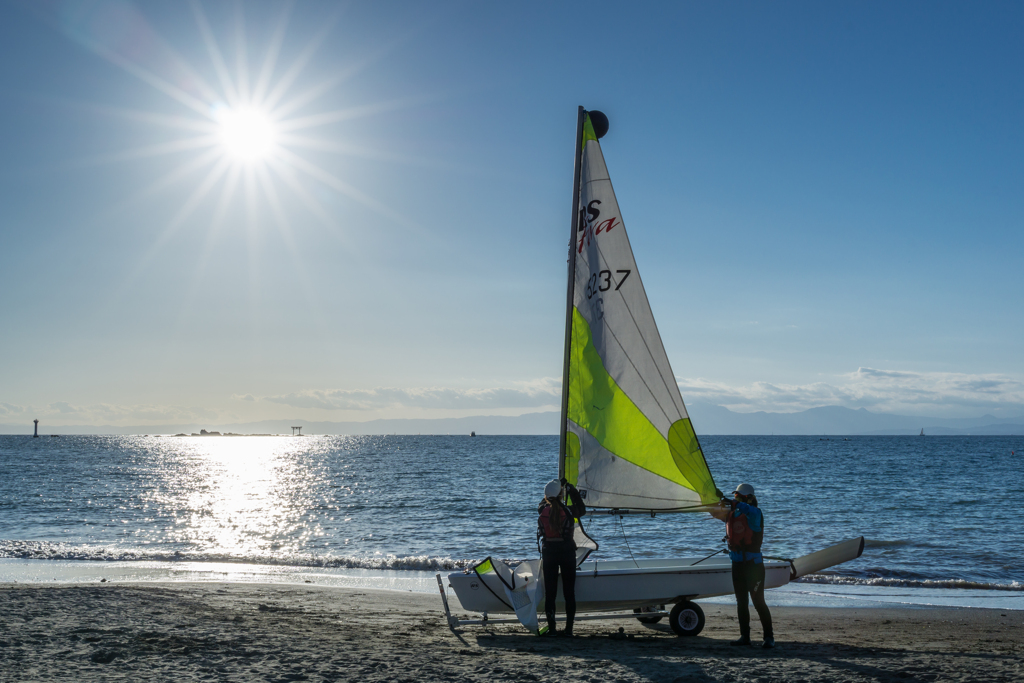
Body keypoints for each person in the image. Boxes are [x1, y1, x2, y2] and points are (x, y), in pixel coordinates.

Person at [715, 483, 775, 649]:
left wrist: (732, 502)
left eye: (740, 496)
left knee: (758, 601)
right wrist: (714, 500)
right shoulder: (733, 513)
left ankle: (769, 637)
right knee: (741, 602)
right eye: (735, 496)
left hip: (753, 567)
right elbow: (715, 513)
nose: (737, 499)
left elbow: (748, 510)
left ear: (749, 498)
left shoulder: (755, 513)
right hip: (737, 565)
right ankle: (745, 636)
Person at [537, 477, 585, 636]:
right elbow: (582, 508)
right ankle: (569, 630)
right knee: (569, 593)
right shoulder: (569, 512)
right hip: (567, 554)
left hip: (549, 554)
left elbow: (543, 503)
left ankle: (552, 629)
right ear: (560, 495)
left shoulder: (542, 511)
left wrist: (555, 490)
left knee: (550, 594)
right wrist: (571, 489)